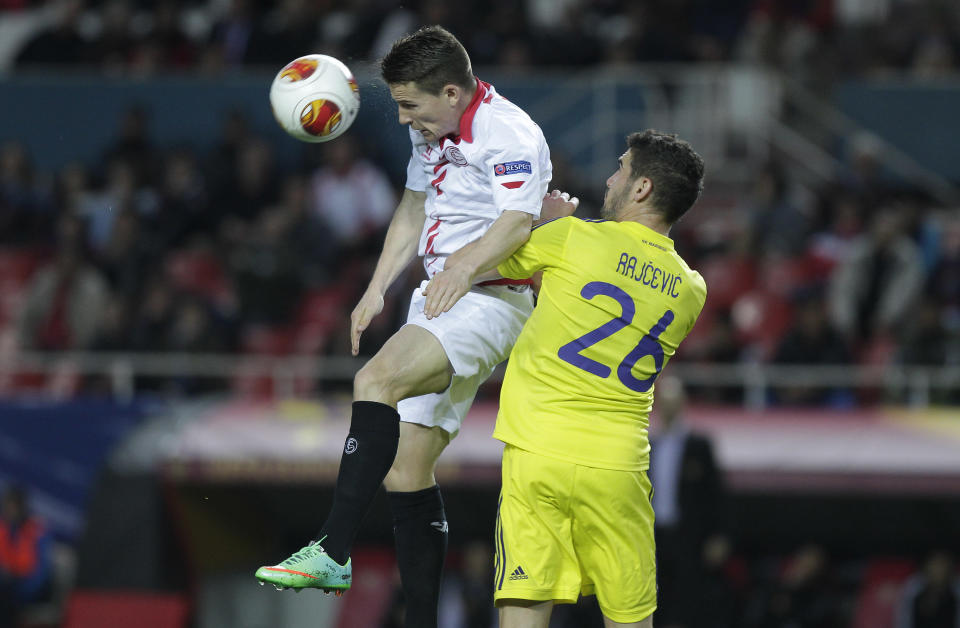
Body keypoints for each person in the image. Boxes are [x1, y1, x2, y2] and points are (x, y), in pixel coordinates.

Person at [255, 25, 553, 628]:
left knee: (375, 381)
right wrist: (375, 288)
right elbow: (415, 208)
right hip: (441, 295)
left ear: (450, 92)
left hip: (491, 297)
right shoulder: (432, 129)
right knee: (406, 468)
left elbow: (520, 220)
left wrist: (466, 267)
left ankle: (331, 551)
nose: (400, 119)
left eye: (408, 105)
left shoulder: (510, 132)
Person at [477, 130, 707, 627]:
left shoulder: (573, 236)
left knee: (523, 606)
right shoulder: (692, 289)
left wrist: (543, 225)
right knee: (630, 619)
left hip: (536, 450)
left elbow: (493, 263)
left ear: (642, 187)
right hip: (617, 467)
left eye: (621, 168)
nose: (609, 178)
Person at [649, 376, 732, 628]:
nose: (668, 406)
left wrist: (719, 534)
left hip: (688, 534)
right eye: (664, 401)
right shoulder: (649, 443)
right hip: (653, 535)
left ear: (683, 402)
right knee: (655, 597)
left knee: (688, 599)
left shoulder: (698, 445)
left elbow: (715, 493)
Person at [0, 484, 53, 627]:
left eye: (12, 507)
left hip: (26, 588)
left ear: (22, 508)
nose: (8, 511)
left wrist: (20, 592)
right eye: (6, 506)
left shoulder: (37, 532)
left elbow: (40, 574)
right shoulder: (3, 528)